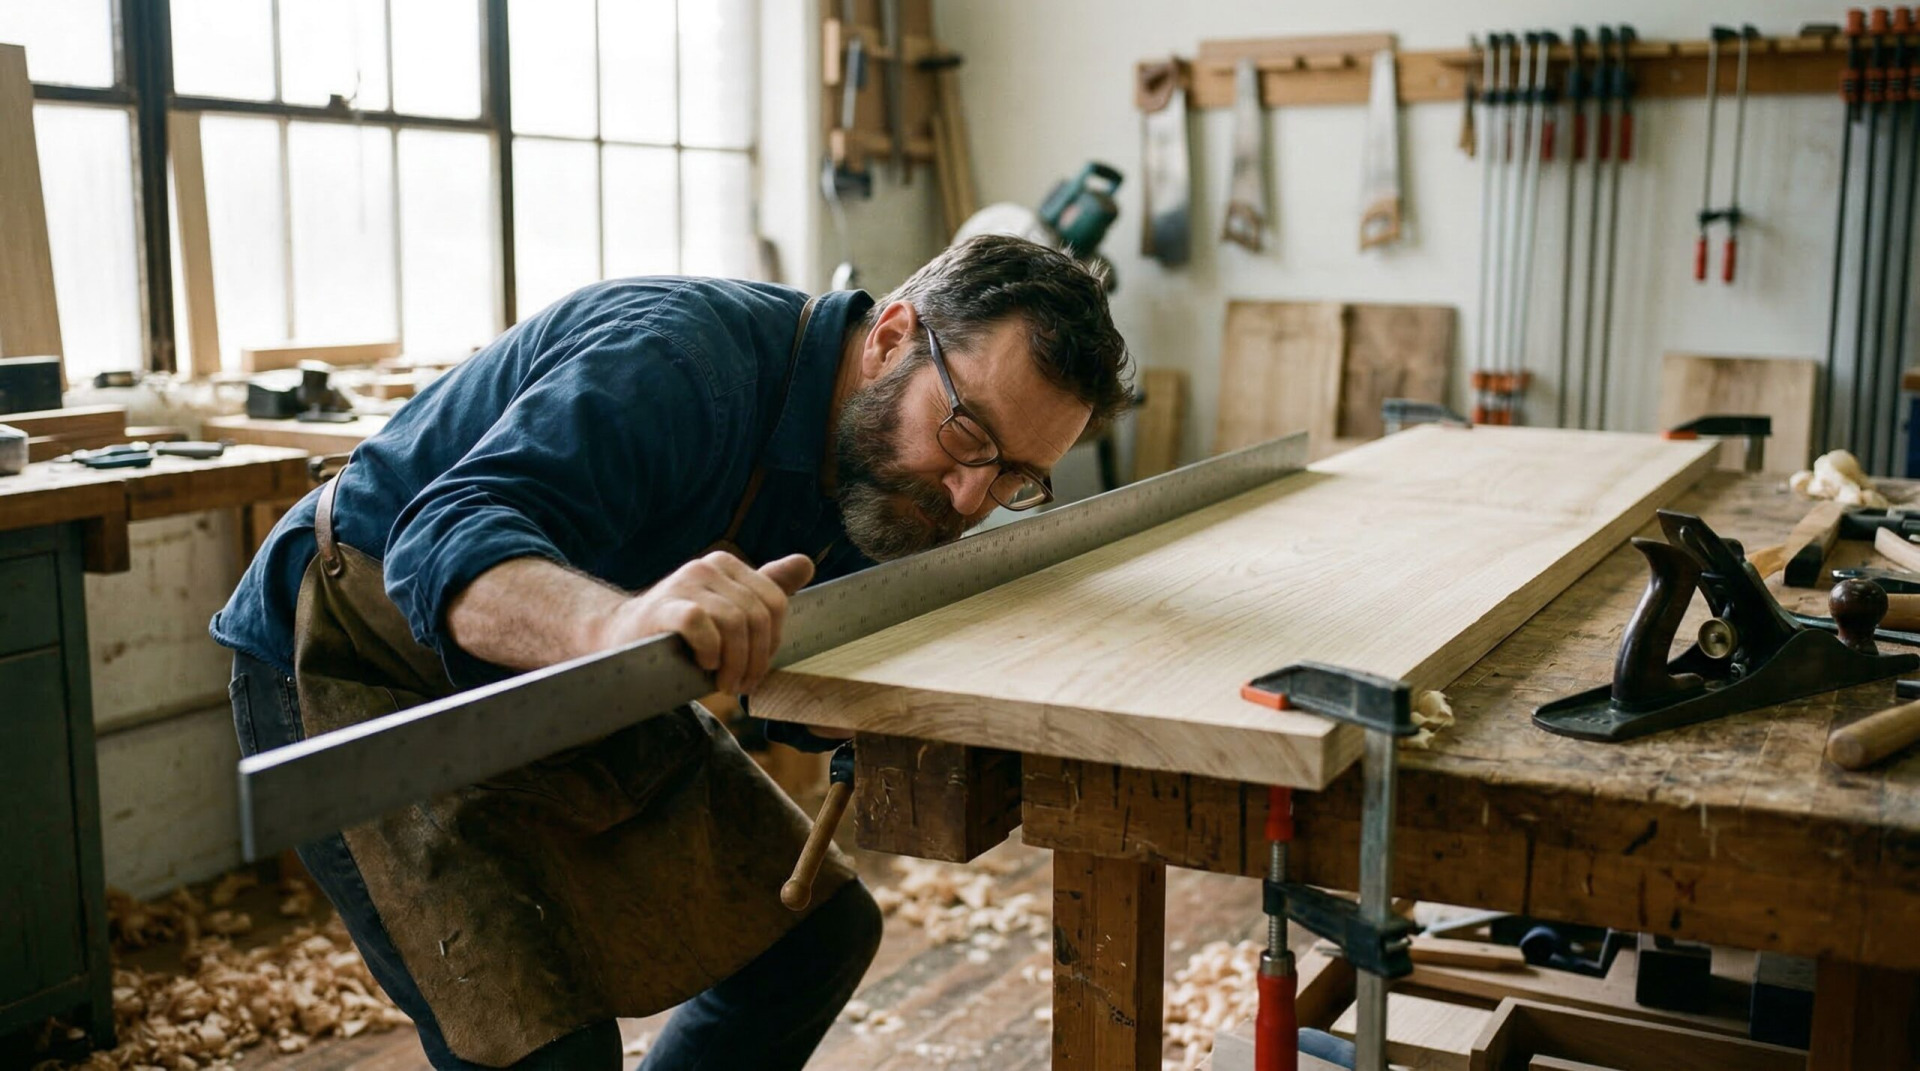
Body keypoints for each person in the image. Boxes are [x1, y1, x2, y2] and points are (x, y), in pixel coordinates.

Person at [210, 234, 1132, 1070]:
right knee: (549, 1051)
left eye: (1017, 477)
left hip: (569, 671)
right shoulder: (680, 361)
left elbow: (796, 691)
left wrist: (903, 705)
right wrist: (617, 629)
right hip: (357, 652)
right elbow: (441, 539)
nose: (970, 499)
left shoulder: (887, 475)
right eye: (967, 435)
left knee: (814, 941)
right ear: (891, 338)